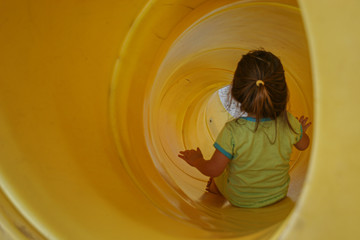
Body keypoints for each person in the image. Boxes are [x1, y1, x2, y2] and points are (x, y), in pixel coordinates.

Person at [178, 49, 311, 208]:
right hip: (278, 195)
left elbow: (213, 169)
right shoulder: (288, 121)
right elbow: (304, 145)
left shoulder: (233, 131)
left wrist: (197, 160)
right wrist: (300, 130)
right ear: (282, 93)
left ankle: (213, 195)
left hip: (241, 199)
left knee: (219, 175)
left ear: (237, 93)